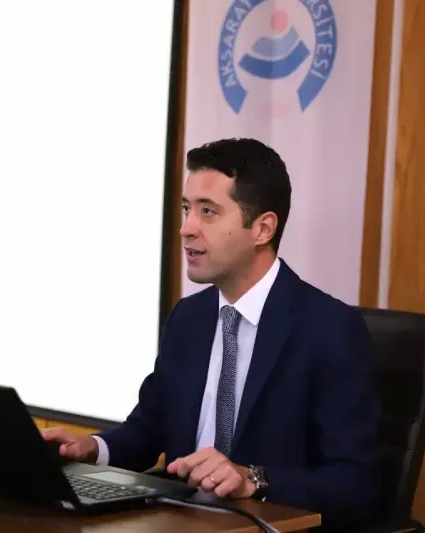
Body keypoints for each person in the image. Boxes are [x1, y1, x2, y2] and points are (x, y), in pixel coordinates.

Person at [43, 138, 382, 528]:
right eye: (187, 209)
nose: (186, 228)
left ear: (262, 229)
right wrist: (91, 447)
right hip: (179, 520)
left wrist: (254, 479)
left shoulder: (328, 328)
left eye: (208, 212)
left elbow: (358, 483)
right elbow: (148, 430)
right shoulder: (189, 318)